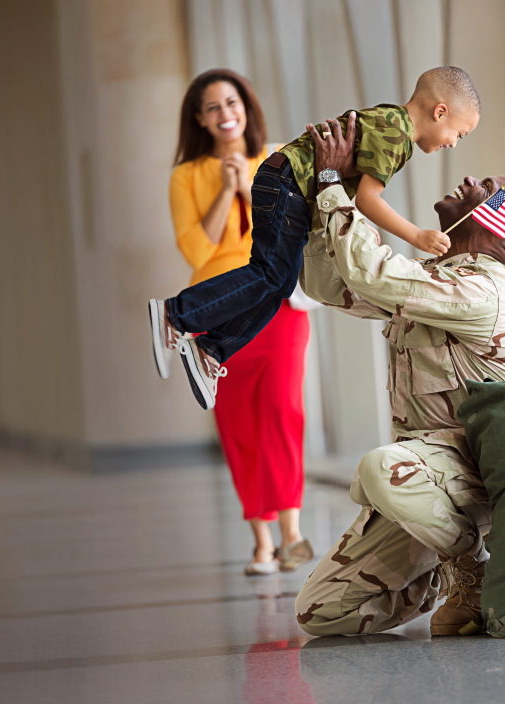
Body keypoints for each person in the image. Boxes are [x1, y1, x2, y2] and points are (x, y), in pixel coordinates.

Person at [293, 116, 505, 636]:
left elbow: (373, 274)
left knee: (377, 469)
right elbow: (327, 283)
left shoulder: (484, 293)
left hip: (459, 474)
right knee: (319, 613)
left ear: (498, 224)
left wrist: (333, 186)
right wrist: (317, 202)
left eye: (490, 189)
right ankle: (437, 563)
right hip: (419, 480)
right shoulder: (435, 281)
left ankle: (470, 566)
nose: (473, 181)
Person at [149, 67, 482, 411]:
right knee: (268, 274)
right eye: (460, 133)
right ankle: (175, 314)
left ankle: (210, 350)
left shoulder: (390, 121)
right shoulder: (399, 135)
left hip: (282, 183)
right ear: (439, 112)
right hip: (287, 186)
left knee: (279, 284)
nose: (454, 143)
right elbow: (369, 198)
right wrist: (417, 235)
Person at [167, 69, 313, 576]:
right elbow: (196, 247)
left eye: (232, 102)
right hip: (219, 310)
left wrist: (249, 190)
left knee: (280, 409)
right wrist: (224, 191)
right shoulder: (186, 176)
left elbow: (290, 232)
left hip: (277, 307)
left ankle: (292, 532)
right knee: (237, 424)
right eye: (212, 107)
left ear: (246, 106)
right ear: (199, 119)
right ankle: (261, 540)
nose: (225, 113)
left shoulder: (276, 159)